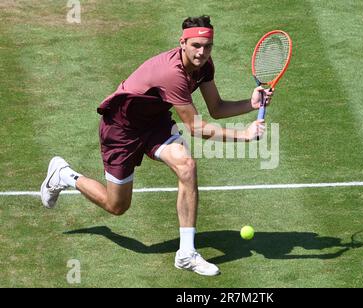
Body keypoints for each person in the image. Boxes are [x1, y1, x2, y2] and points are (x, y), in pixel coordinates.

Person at [40, 15, 272, 276]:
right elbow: (196, 128)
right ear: (182, 43)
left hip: (155, 123)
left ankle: (186, 254)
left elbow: (216, 109)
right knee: (116, 206)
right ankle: (64, 175)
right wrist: (245, 134)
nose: (202, 52)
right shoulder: (172, 75)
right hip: (121, 129)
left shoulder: (204, 66)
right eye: (196, 45)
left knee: (187, 166)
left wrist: (249, 104)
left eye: (207, 46)